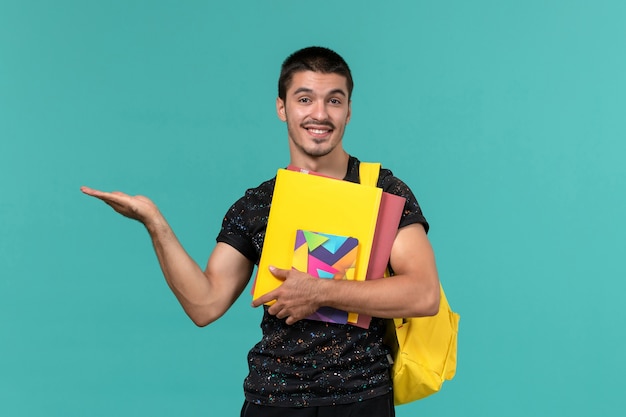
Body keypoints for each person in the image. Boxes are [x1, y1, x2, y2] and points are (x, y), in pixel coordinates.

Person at [81, 46, 440, 417]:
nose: (320, 113)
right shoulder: (257, 205)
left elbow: (424, 293)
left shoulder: (383, 191)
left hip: (362, 399)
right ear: (282, 107)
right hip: (273, 400)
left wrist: (319, 291)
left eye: (334, 100)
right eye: (305, 99)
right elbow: (205, 304)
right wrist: (155, 224)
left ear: (349, 111)